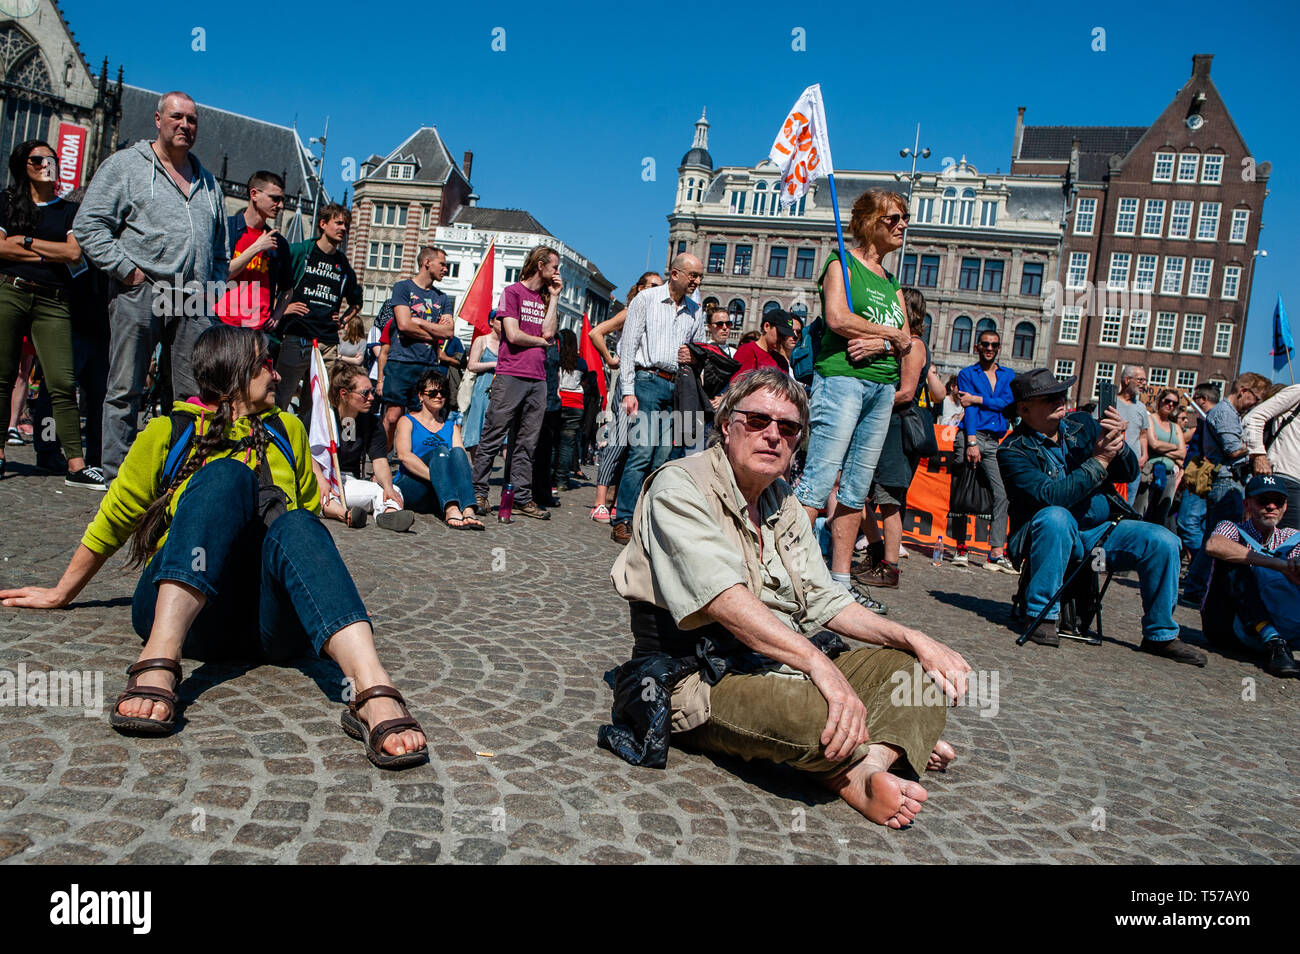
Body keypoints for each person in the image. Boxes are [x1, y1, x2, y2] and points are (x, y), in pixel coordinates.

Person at [0, 325, 427, 767]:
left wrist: (336, 602)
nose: (277, 374)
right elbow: (112, 520)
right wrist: (61, 592)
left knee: (298, 519)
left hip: (268, 626)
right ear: (235, 371)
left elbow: (300, 534)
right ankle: (160, 658)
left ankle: (372, 691)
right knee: (227, 476)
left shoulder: (290, 432)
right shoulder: (169, 431)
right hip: (185, 618)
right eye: (265, 363)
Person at [603, 368, 970, 827]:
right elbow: (723, 601)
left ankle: (865, 765)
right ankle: (877, 749)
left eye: (788, 428)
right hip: (698, 674)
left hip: (779, 663)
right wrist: (821, 668)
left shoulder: (785, 502)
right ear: (726, 424)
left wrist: (914, 638)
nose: (773, 435)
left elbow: (826, 600)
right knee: (813, 716)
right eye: (757, 421)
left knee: (917, 674)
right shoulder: (680, 486)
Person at [997, 368, 1205, 665]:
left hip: (1099, 532)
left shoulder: (1081, 424)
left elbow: (1130, 471)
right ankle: (1041, 614)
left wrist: (1117, 445)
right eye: (1049, 397)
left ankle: (1161, 634)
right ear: (1024, 408)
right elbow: (1052, 496)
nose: (1060, 399)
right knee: (1056, 517)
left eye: (1061, 393)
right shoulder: (1013, 450)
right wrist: (1100, 460)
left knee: (1164, 541)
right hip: (1047, 536)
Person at [73, 90, 229, 482]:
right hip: (141, 291)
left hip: (193, 300)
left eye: (192, 120)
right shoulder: (126, 165)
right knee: (126, 387)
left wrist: (213, 291)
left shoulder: (209, 183)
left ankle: (183, 475)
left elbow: (220, 253)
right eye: (177, 117)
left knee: (194, 397)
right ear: (158, 120)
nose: (185, 125)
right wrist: (128, 272)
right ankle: (119, 476)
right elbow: (88, 225)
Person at [794, 189, 912, 613]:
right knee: (819, 478)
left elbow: (907, 341)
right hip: (842, 379)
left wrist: (883, 342)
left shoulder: (891, 282)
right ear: (868, 222)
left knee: (857, 489)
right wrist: (892, 336)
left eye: (905, 218)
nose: (901, 225)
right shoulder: (840, 264)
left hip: (882, 387)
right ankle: (783, 571)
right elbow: (837, 318)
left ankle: (840, 581)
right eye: (893, 218)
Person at [0, 139, 104, 488]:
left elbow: (74, 252)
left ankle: (75, 463)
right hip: (10, 290)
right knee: (2, 376)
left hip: (54, 300)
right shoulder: (8, 201)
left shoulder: (69, 211)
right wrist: (50, 253)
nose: (48, 162)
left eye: (52, 157)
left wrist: (25, 243)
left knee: (62, 381)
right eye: (38, 158)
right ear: (23, 165)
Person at [608, 254, 705, 544]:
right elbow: (629, 346)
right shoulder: (647, 300)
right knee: (641, 453)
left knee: (663, 458)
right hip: (647, 381)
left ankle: (646, 517)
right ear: (675, 273)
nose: (697, 281)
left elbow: (699, 348)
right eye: (693, 275)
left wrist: (695, 355)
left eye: (699, 276)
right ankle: (623, 518)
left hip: (676, 386)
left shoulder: (695, 309)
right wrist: (628, 390)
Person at [470, 245, 561, 520]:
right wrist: (540, 342)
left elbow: (549, 331)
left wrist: (554, 298)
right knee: (493, 435)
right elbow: (513, 334)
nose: (557, 272)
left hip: (538, 378)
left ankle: (521, 496)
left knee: (527, 442)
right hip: (511, 374)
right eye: (554, 266)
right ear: (540, 265)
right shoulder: (512, 292)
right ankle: (478, 492)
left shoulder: (545, 297)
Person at [854, 288, 931, 589]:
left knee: (889, 502)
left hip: (897, 431)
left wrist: (870, 400)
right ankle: (876, 553)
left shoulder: (914, 345)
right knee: (858, 494)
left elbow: (907, 392)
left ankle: (890, 568)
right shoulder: (899, 345)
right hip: (883, 428)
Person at [272, 203, 361, 429]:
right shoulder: (301, 252)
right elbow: (275, 283)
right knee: (281, 396)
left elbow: (356, 302)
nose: (343, 228)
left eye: (346, 225)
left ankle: (303, 447)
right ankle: (274, 440)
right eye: (338, 223)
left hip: (327, 342)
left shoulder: (343, 265)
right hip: (296, 336)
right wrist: (283, 309)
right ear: (323, 224)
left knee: (317, 403)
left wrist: (343, 320)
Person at [1201, 474, 1300, 677]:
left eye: (1277, 501)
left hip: (1281, 619)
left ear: (1285, 507)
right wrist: (1277, 564)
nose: (1271, 506)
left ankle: (1277, 639)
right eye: (1263, 501)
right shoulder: (1231, 528)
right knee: (1230, 559)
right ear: (1247, 505)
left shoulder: (1292, 537)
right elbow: (1214, 545)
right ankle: (1272, 639)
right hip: (1227, 626)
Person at [1182, 372, 1267, 604]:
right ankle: (1196, 587)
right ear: (1244, 391)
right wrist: (1257, 447)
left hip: (1226, 479)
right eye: (1256, 398)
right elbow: (1233, 450)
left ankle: (1196, 586)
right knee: (1219, 536)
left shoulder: (1227, 412)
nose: (1256, 404)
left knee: (1215, 534)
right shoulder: (1225, 413)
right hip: (1226, 480)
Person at [588, 272, 662, 523]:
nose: (655, 290)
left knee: (637, 445)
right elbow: (596, 332)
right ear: (640, 288)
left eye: (659, 287)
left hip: (646, 383)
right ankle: (599, 503)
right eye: (652, 285)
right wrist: (610, 360)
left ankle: (620, 502)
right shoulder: (631, 311)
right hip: (627, 380)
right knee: (619, 440)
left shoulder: (657, 315)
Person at [318, 363, 413, 532]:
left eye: (372, 391)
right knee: (323, 496)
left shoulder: (372, 422)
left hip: (348, 482)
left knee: (392, 489)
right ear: (344, 394)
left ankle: (388, 514)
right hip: (322, 479)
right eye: (365, 393)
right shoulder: (323, 416)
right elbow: (309, 456)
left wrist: (388, 488)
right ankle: (346, 515)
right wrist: (321, 482)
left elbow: (379, 460)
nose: (371, 397)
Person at [951, 329, 1015, 572]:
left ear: (999, 348)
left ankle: (996, 552)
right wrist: (971, 442)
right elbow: (970, 412)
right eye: (985, 344)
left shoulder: (1008, 375)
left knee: (1001, 495)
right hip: (971, 436)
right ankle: (960, 547)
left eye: (994, 345)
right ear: (977, 347)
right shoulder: (967, 374)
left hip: (994, 441)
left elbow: (1008, 404)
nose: (990, 348)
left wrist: (977, 399)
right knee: (963, 491)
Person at [379, 246, 456, 443]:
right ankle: (381, 461)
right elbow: (404, 324)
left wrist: (420, 322)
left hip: (428, 364)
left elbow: (448, 332)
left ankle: (412, 462)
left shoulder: (442, 298)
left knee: (421, 418)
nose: (445, 269)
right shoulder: (403, 288)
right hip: (401, 362)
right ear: (427, 263)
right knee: (392, 416)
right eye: (443, 264)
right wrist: (433, 334)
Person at [394, 370, 484, 529]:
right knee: (441, 451)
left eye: (442, 392)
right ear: (421, 396)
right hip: (412, 483)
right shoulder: (407, 421)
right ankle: (450, 508)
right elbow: (404, 456)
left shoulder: (451, 427)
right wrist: (440, 478)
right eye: (433, 392)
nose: (439, 396)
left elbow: (460, 460)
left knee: (457, 452)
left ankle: (468, 508)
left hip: (439, 491)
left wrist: (444, 481)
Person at [216, 170, 292, 331]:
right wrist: (257, 247)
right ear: (254, 194)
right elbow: (223, 273)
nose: (280, 205)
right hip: (223, 323)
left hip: (258, 329)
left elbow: (288, 288)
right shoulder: (227, 229)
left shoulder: (279, 243)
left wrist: (277, 315)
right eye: (275, 198)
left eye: (282, 200)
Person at [1241, 381, 1300, 531]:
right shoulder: (1297, 392)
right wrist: (1259, 455)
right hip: (1288, 480)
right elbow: (1253, 418)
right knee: (1290, 546)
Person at [1175, 383, 1221, 568]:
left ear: (1203, 399)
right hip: (1196, 471)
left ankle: (1200, 565)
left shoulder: (1213, 418)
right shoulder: (1205, 420)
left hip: (1202, 473)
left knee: (1188, 522)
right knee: (1197, 523)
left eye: (1195, 399)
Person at [1139, 388, 1186, 524]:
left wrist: (1162, 448)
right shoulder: (1150, 419)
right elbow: (1153, 444)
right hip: (1150, 472)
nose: (1170, 405)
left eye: (1174, 403)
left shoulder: (1175, 427)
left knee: (1160, 516)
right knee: (1141, 511)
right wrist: (1174, 446)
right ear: (1160, 401)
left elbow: (1182, 453)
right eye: (1168, 401)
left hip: (1169, 475)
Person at [553, 328, 588, 492]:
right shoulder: (581, 363)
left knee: (553, 443)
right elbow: (585, 383)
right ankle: (562, 481)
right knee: (567, 445)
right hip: (575, 406)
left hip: (559, 402)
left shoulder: (557, 359)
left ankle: (549, 478)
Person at [462, 311, 502, 456]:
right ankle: (477, 470)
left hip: (502, 390)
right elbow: (471, 365)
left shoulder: (508, 344)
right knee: (477, 430)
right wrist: (493, 364)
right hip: (482, 389)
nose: (503, 323)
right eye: (500, 320)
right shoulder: (482, 340)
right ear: (491, 322)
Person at [1114, 366, 1150, 505]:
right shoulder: (1111, 402)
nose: (1144, 384)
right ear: (1127, 380)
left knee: (1128, 506)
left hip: (1134, 466)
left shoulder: (1141, 407)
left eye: (1145, 380)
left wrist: (1144, 455)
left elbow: (1143, 435)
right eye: (1140, 379)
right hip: (1114, 465)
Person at [730, 308, 795, 381]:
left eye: (786, 335)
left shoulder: (781, 361)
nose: (782, 338)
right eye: (780, 333)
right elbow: (736, 385)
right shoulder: (747, 351)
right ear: (766, 326)